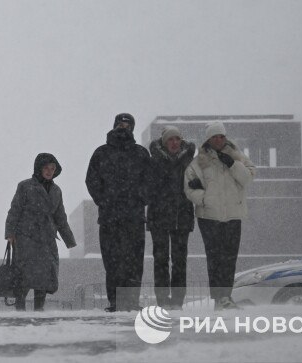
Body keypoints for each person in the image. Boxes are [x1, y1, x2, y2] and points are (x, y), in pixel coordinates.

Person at [85, 112, 154, 311]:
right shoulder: (101, 153)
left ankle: (131, 301)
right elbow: (91, 180)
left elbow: (150, 181)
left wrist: (140, 198)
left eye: (127, 124)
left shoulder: (141, 153)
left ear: (132, 127)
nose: (123, 127)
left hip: (134, 217)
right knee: (112, 261)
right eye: (120, 123)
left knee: (134, 260)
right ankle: (115, 301)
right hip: (109, 217)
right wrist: (104, 200)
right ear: (114, 125)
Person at [184, 121, 256, 311]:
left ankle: (227, 296)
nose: (218, 140)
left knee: (230, 257)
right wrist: (205, 199)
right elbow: (189, 186)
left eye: (221, 136)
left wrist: (232, 164)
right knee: (214, 258)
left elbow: (248, 177)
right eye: (214, 136)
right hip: (209, 217)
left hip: (233, 215)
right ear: (208, 139)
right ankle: (218, 298)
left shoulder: (237, 156)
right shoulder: (199, 160)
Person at [5, 153, 77, 311]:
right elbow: (15, 210)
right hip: (26, 237)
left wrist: (69, 240)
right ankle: (20, 307)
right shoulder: (25, 186)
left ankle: (39, 308)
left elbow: (60, 216)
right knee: (24, 273)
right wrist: (10, 233)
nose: (49, 171)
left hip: (46, 238)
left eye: (53, 168)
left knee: (44, 274)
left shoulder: (57, 190)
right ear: (39, 168)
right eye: (46, 168)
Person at [147, 125, 196, 310]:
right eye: (170, 139)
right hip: (159, 217)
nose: (174, 143)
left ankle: (177, 300)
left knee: (179, 260)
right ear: (164, 142)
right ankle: (162, 300)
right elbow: (147, 186)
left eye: (177, 139)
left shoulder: (189, 161)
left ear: (181, 141)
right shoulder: (154, 161)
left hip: (181, 217)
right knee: (160, 261)